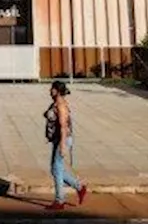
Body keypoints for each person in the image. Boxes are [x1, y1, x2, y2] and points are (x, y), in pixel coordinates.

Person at [43, 81, 87, 210]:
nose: (50, 90)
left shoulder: (61, 105)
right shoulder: (56, 103)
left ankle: (59, 200)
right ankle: (79, 187)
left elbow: (63, 127)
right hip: (58, 139)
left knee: (56, 169)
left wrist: (62, 146)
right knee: (56, 169)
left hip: (63, 139)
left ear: (56, 90)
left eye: (52, 88)